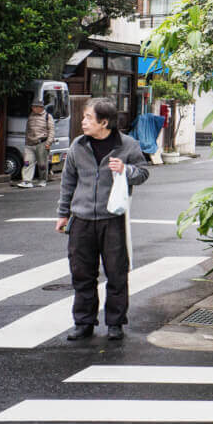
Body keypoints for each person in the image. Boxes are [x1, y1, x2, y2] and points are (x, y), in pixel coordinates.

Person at [55, 97, 149, 340]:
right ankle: (83, 322)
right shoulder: (78, 145)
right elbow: (68, 182)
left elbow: (143, 172)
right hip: (82, 219)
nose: (83, 122)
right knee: (82, 273)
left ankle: (115, 324)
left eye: (88, 118)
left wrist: (125, 170)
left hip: (112, 219)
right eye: (84, 117)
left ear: (104, 122)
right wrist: (63, 214)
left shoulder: (127, 145)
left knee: (116, 273)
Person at [16, 101, 55, 188]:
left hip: (42, 143)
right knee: (27, 162)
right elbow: (27, 130)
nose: (33, 108)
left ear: (40, 108)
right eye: (32, 107)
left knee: (42, 164)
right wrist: (26, 142)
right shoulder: (31, 116)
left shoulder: (48, 117)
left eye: (34, 107)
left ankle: (42, 179)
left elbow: (51, 131)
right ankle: (27, 181)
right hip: (29, 144)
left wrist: (48, 143)